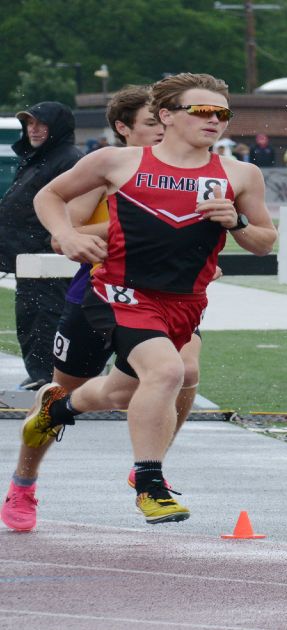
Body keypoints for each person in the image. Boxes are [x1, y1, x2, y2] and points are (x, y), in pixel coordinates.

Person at [22, 73, 276, 525]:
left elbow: (264, 241)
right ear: (166, 116)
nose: (215, 120)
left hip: (184, 301)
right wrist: (65, 235)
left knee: (121, 391)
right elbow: (50, 196)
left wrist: (236, 221)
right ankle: (150, 484)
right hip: (118, 290)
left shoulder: (240, 174)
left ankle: (57, 407)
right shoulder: (118, 162)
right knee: (168, 371)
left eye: (223, 113)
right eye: (203, 111)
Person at [2, 85, 206, 533]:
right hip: (98, 296)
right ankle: (24, 482)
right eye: (151, 123)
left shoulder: (198, 172)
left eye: (165, 120)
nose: (163, 129)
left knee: (183, 372)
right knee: (58, 396)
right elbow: (64, 233)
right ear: (123, 128)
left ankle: (150, 469)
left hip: (169, 298)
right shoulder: (106, 169)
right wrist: (140, 221)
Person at [0, 101, 82, 391]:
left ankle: (49, 376)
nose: (33, 130)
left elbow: (73, 209)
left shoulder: (69, 158)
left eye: (41, 124)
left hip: (49, 258)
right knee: (29, 314)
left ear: (57, 127)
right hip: (28, 257)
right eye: (30, 123)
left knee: (47, 314)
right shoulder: (40, 156)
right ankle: (38, 372)